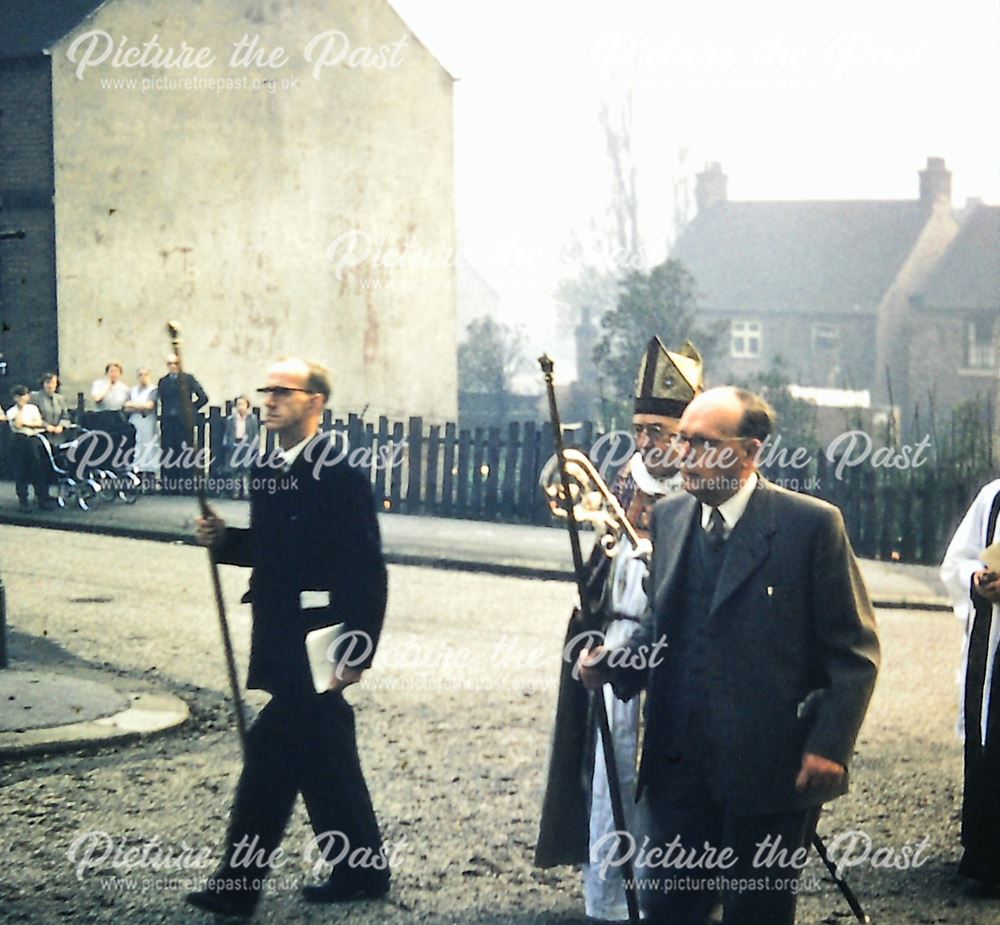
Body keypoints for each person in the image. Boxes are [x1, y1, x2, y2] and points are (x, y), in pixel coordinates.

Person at [580, 387, 880, 925]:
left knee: (755, 912)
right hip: (676, 772)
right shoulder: (671, 520)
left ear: (750, 452)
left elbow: (853, 652)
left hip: (767, 775)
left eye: (702, 443)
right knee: (668, 909)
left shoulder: (809, 527)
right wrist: (613, 665)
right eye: (682, 441)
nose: (683, 457)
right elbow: (661, 629)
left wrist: (829, 747)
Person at [187, 357, 389, 918]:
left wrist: (358, 649)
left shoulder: (341, 477)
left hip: (322, 638)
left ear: (315, 403)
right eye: (267, 391)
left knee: (271, 756)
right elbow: (274, 551)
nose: (270, 400)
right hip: (279, 634)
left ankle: (238, 885)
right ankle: (361, 870)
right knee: (325, 755)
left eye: (284, 392)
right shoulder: (267, 471)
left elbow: (366, 571)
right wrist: (225, 539)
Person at [534, 338, 704, 923]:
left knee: (670, 790)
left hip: (676, 662)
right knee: (611, 779)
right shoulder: (617, 483)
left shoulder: (703, 489)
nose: (646, 442)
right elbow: (598, 572)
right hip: (618, 651)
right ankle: (609, 902)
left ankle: (670, 900)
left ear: (687, 435)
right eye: (640, 428)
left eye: (660, 430)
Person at [941, 481, 1000, 891]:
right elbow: (958, 562)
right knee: (990, 742)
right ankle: (987, 856)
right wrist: (977, 580)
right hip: (996, 649)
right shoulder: (995, 497)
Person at [157, 353, 208, 494]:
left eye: (175, 363)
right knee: (168, 453)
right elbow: (162, 400)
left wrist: (190, 410)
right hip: (168, 422)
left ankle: (187, 486)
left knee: (185, 452)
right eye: (170, 364)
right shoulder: (163, 381)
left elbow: (203, 397)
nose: (173, 366)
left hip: (184, 423)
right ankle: (169, 487)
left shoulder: (188, 379)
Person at [6, 385, 56, 512]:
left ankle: (42, 500)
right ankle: (24, 502)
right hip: (18, 440)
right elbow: (17, 424)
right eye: (20, 396)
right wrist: (21, 411)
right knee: (21, 472)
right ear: (15, 398)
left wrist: (27, 424)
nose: (23, 398)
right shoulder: (11, 411)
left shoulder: (33, 408)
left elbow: (38, 423)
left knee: (37, 470)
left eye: (25, 395)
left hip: (32, 440)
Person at [124, 368, 160, 487]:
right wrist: (140, 407)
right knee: (136, 447)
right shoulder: (132, 391)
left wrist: (134, 406)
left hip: (148, 422)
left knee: (149, 447)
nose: (143, 377)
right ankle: (136, 479)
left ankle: (150, 480)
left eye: (145, 374)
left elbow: (149, 406)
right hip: (135, 421)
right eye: (140, 375)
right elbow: (126, 407)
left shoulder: (153, 390)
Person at [222, 394, 259, 500]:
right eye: (238, 404)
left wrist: (254, 446)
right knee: (234, 469)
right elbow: (228, 433)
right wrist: (228, 443)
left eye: (243, 404)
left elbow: (255, 433)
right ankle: (236, 492)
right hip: (235, 444)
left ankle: (246, 491)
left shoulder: (252, 419)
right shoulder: (231, 419)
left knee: (246, 469)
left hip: (246, 444)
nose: (240, 407)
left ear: (247, 406)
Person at [33, 372, 72, 446]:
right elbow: (32, 417)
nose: (50, 386)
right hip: (41, 435)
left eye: (53, 383)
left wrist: (61, 426)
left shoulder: (60, 398)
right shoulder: (35, 397)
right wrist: (46, 425)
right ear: (43, 384)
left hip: (59, 436)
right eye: (48, 383)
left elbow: (66, 416)